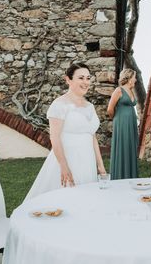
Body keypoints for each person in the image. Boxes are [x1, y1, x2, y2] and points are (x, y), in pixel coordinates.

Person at [25, 62, 106, 200]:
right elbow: (54, 138)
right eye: (81, 78)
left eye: (88, 78)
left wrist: (100, 166)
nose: (86, 82)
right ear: (68, 79)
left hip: (87, 160)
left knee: (86, 199)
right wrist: (64, 166)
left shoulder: (90, 106)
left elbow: (92, 136)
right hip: (68, 159)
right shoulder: (60, 104)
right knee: (66, 199)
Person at [107, 68, 139, 180]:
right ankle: (120, 176)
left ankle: (130, 175)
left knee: (130, 146)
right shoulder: (119, 90)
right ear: (129, 78)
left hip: (131, 123)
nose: (135, 80)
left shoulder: (131, 90)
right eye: (134, 77)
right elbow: (110, 109)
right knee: (122, 146)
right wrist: (117, 119)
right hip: (121, 123)